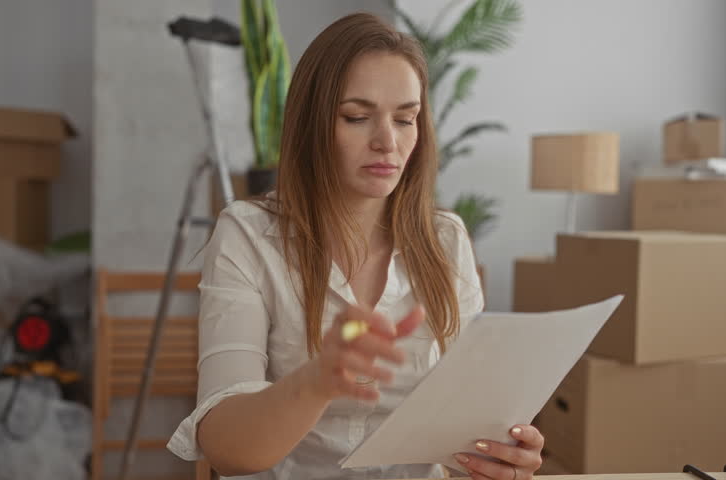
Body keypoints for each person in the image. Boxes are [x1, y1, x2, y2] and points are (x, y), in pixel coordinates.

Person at [168, 12, 544, 480]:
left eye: (406, 119)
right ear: (311, 125)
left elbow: (467, 422)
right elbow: (225, 447)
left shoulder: (446, 239)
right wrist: (319, 378)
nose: (388, 141)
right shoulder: (247, 234)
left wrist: (500, 456)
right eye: (357, 117)